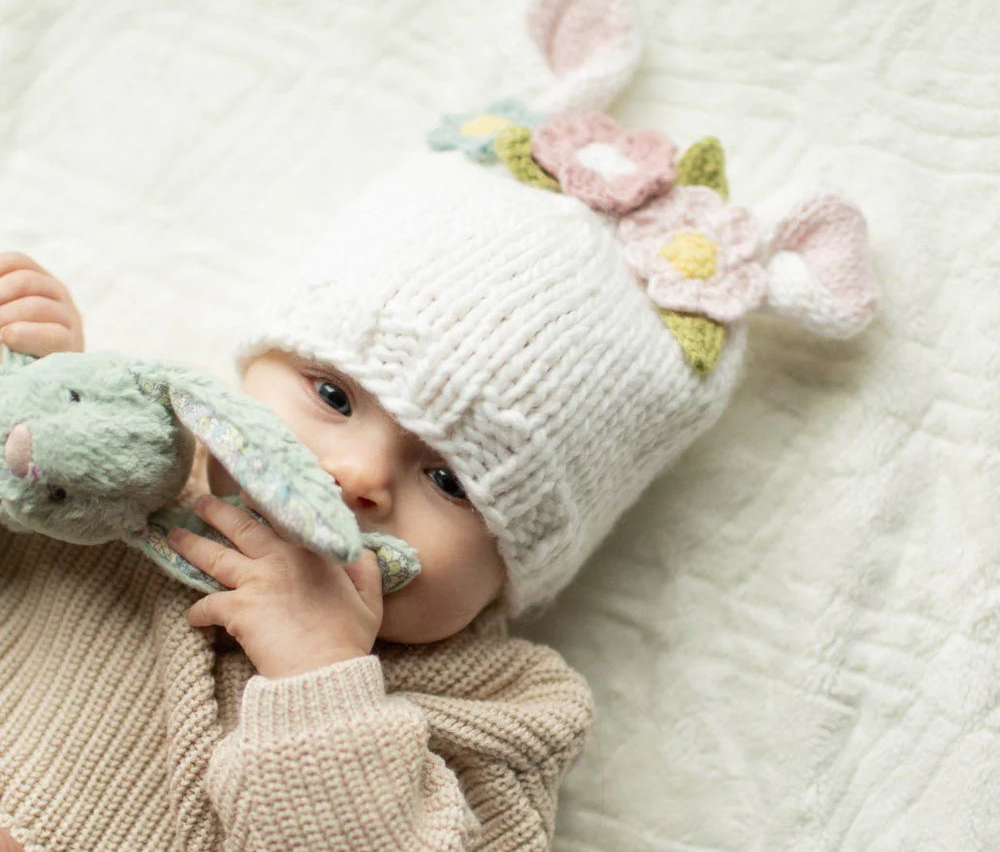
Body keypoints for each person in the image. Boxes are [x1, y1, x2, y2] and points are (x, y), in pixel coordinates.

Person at [0, 116, 876, 850]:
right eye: (333, 395)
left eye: (452, 481)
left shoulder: (500, 714)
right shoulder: (117, 493)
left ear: (518, 564)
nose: (359, 478)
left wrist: (318, 678)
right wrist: (41, 410)